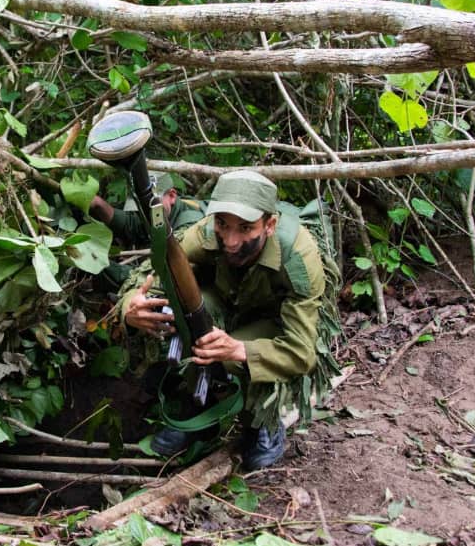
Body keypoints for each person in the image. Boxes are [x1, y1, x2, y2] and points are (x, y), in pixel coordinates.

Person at [121, 170, 327, 470]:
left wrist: (239, 351)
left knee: (239, 354)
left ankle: (263, 420)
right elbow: (150, 273)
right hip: (228, 302)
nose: (230, 240)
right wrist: (132, 306)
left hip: (273, 320)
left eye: (245, 228)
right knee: (182, 310)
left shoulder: (298, 259)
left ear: (269, 225)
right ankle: (196, 405)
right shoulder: (205, 234)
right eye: (223, 224)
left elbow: (301, 351)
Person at [88, 171, 205, 248]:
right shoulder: (160, 213)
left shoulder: (191, 223)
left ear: (172, 196)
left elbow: (170, 258)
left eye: (151, 205)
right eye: (139, 207)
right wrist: (99, 204)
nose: (144, 211)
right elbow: (130, 224)